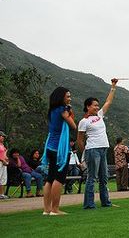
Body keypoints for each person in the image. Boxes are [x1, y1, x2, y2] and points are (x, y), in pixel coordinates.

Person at [77, 78, 118, 209]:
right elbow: (80, 139)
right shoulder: (84, 121)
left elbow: (109, 101)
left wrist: (113, 86)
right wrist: (85, 152)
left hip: (103, 149)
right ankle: (89, 204)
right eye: (94, 105)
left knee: (103, 177)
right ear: (88, 106)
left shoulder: (100, 115)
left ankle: (106, 202)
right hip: (92, 150)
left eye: (97, 105)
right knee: (92, 177)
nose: (97, 107)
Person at [42, 86, 76, 215]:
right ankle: (55, 209)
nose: (70, 99)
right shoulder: (62, 110)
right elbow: (73, 125)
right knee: (59, 178)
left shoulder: (52, 110)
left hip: (50, 147)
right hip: (60, 149)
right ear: (61, 97)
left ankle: (47, 209)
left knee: (50, 178)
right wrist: (69, 112)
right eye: (67, 96)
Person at [0, 131, 8, 199]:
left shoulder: (2, 145)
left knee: (3, 178)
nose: (3, 138)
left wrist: (6, 159)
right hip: (0, 162)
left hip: (4, 163)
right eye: (2, 136)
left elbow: (4, 154)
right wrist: (3, 160)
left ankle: (2, 194)